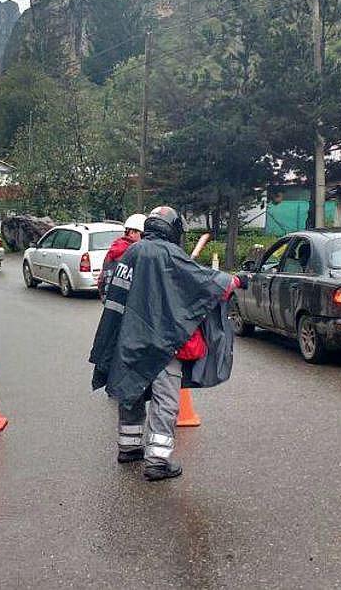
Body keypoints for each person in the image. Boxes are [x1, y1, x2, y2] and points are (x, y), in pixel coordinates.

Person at [88, 206, 246, 481]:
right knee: (165, 400)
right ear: (173, 229)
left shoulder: (131, 253)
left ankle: (129, 448)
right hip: (160, 342)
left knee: (131, 391)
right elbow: (202, 282)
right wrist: (236, 280)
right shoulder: (168, 254)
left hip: (127, 340)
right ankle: (158, 462)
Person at [99, 213, 146, 299]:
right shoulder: (135, 253)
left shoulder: (112, 251)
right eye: (143, 235)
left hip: (109, 299)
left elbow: (101, 280)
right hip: (127, 302)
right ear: (132, 232)